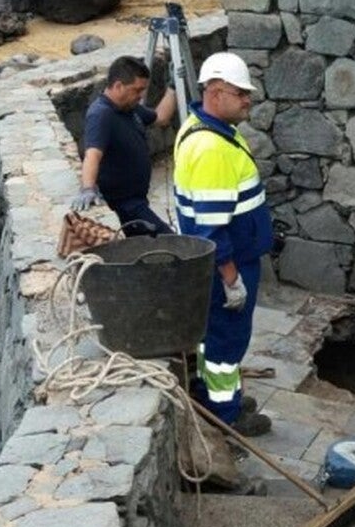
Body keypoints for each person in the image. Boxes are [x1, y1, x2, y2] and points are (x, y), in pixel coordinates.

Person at [173, 52, 274, 437]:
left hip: (220, 261)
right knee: (227, 344)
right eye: (241, 93)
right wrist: (231, 279)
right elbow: (212, 227)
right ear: (215, 93)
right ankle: (226, 416)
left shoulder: (200, 127)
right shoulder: (212, 148)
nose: (248, 99)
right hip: (227, 264)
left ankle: (214, 395)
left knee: (213, 338)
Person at [71, 55, 177, 236]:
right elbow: (92, 154)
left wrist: (173, 89)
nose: (141, 95)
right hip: (124, 207)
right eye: (137, 90)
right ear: (118, 86)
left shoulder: (129, 107)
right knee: (172, 244)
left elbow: (161, 117)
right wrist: (88, 188)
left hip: (138, 201)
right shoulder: (101, 114)